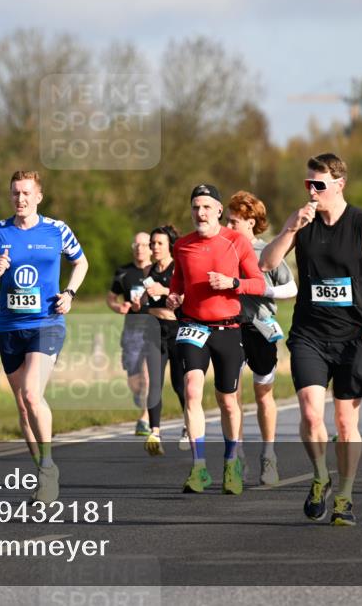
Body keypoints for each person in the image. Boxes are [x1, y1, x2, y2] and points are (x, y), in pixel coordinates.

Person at [261, 153, 362, 526]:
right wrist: (290, 228)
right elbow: (266, 264)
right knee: (309, 411)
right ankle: (320, 476)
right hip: (309, 333)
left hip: (353, 336)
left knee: (343, 422)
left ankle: (345, 496)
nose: (312, 191)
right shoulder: (302, 222)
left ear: (339, 185)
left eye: (318, 185)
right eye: (308, 184)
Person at [0, 170, 88, 502]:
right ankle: (43, 469)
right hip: (9, 327)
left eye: (26, 193)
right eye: (15, 193)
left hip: (47, 322)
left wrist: (69, 293)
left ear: (38, 196)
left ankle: (50, 465)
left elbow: (81, 263)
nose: (20, 199)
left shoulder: (57, 229)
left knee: (30, 394)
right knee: (23, 408)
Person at [166, 184, 266, 494]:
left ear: (219, 211)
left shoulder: (236, 242)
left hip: (227, 328)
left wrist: (231, 283)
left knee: (227, 401)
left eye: (207, 207)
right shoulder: (182, 245)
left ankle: (231, 463)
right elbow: (177, 283)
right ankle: (198, 469)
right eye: (196, 207)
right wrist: (173, 297)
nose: (201, 213)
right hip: (193, 326)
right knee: (192, 389)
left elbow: (259, 285)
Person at [226, 191, 298, 486]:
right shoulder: (220, 249)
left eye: (234, 221)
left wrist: (262, 290)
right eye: (227, 220)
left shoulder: (266, 252)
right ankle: (237, 455)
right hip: (229, 327)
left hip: (260, 328)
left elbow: (291, 288)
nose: (228, 226)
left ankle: (269, 455)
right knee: (231, 395)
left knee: (262, 394)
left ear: (250, 221)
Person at [141, 224, 186, 456]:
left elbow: (187, 296)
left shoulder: (179, 268)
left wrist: (165, 290)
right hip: (153, 329)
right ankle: (155, 433)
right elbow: (143, 303)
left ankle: (189, 425)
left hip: (176, 329)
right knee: (154, 384)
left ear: (170, 246)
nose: (155, 247)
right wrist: (141, 298)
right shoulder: (148, 269)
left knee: (180, 384)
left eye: (159, 243)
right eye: (152, 244)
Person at [106, 232, 153, 436]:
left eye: (144, 245)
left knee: (148, 374)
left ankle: (145, 417)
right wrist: (118, 307)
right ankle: (140, 395)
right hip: (132, 331)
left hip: (154, 329)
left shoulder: (159, 270)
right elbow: (111, 298)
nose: (139, 248)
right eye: (136, 244)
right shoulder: (123, 272)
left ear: (151, 248)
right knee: (134, 381)